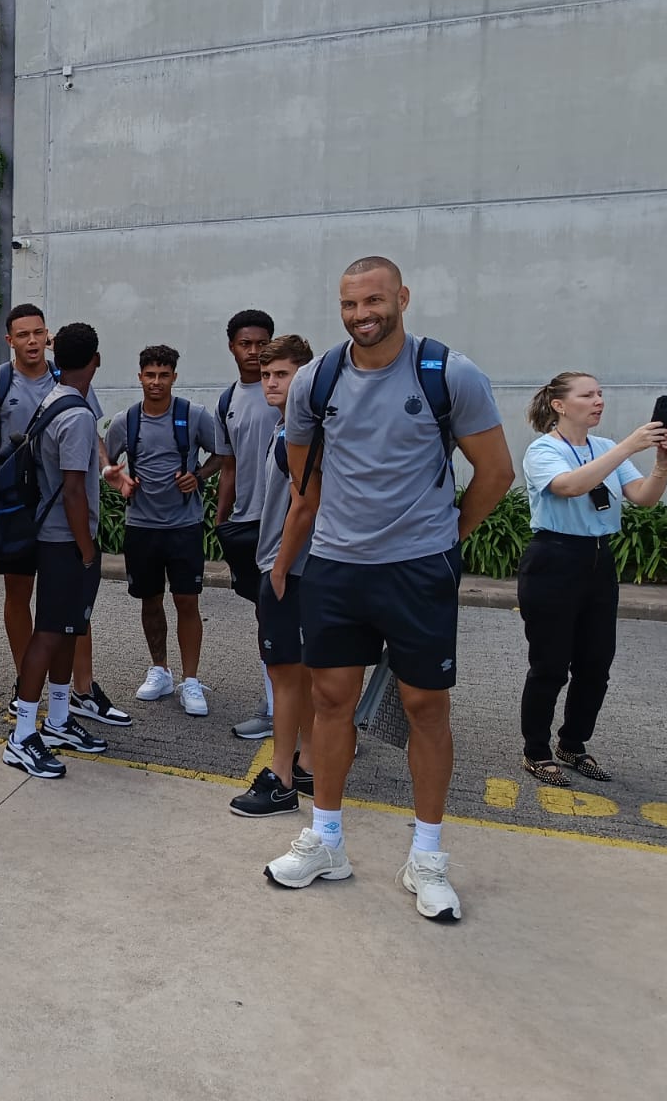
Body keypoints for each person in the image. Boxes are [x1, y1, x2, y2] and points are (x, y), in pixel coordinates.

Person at [265, 255, 513, 922]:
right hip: (338, 567)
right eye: (349, 304)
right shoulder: (316, 379)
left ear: (402, 297)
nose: (361, 315)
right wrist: (297, 553)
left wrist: (447, 535)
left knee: (425, 705)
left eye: (373, 301)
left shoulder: (448, 373)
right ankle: (326, 841)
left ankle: (427, 859)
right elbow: (305, 482)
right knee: (330, 701)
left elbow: (495, 471)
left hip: (417, 568)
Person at [516, 373, 667, 784]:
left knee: (595, 665)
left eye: (600, 394)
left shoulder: (605, 448)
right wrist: (628, 447)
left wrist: (662, 466)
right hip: (554, 559)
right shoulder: (543, 450)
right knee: (550, 665)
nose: (598, 401)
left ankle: (572, 744)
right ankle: (536, 751)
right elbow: (569, 486)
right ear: (559, 405)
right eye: (588, 395)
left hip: (599, 560)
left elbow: (643, 497)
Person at [0, 304, 130, 728]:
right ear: (10, 340)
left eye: (38, 333)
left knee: (69, 611)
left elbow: (92, 437)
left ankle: (81, 690)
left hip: (58, 516)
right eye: (22, 334)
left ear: (48, 338)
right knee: (21, 598)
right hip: (18, 512)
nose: (32, 341)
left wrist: (106, 468)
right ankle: (26, 686)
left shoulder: (65, 379)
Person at [3, 323, 110, 778]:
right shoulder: (78, 415)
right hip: (65, 541)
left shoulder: (53, 399)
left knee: (67, 630)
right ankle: (22, 735)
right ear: (96, 360)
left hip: (54, 537)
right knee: (49, 633)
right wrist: (86, 550)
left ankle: (60, 720)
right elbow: (73, 490)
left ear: (55, 357)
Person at [103, 345, 223, 716]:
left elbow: (222, 454)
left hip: (184, 525)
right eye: (150, 375)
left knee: (187, 600)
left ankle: (191, 680)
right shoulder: (126, 420)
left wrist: (198, 475)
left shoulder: (193, 415)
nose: (156, 382)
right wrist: (117, 478)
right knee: (150, 599)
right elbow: (105, 459)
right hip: (142, 526)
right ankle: (160, 670)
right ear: (140, 377)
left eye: (164, 375)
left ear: (174, 377)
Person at [229, 335, 317, 817]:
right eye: (265, 375)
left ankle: (281, 779)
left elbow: (305, 506)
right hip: (291, 567)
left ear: (305, 376)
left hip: (291, 570)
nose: (271, 383)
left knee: (285, 677)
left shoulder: (296, 436)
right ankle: (306, 763)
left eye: (282, 374)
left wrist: (279, 568)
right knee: (299, 675)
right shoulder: (288, 429)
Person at [214, 309, 279, 741]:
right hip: (248, 525)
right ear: (232, 347)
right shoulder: (227, 401)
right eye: (245, 344)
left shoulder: (291, 392)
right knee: (265, 617)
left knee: (299, 619)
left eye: (261, 343)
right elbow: (229, 466)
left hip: (290, 525)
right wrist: (222, 521)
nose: (254, 352)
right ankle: (275, 706)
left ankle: (323, 719)